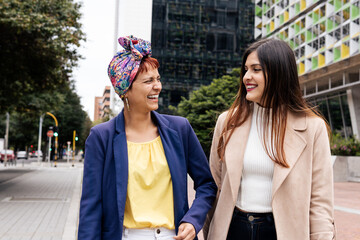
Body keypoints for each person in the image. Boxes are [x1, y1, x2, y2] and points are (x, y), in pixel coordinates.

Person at [78, 35, 217, 240]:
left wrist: (193, 220)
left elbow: (207, 184)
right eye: (148, 81)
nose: (158, 87)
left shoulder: (180, 129)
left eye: (158, 79)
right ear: (125, 90)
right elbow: (91, 206)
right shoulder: (101, 137)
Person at [203, 38, 335, 240]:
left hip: (282, 232)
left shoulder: (312, 127)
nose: (247, 77)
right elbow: (214, 184)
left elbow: (320, 200)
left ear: (279, 73)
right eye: (246, 69)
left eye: (256, 69)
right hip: (232, 229)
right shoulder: (227, 121)